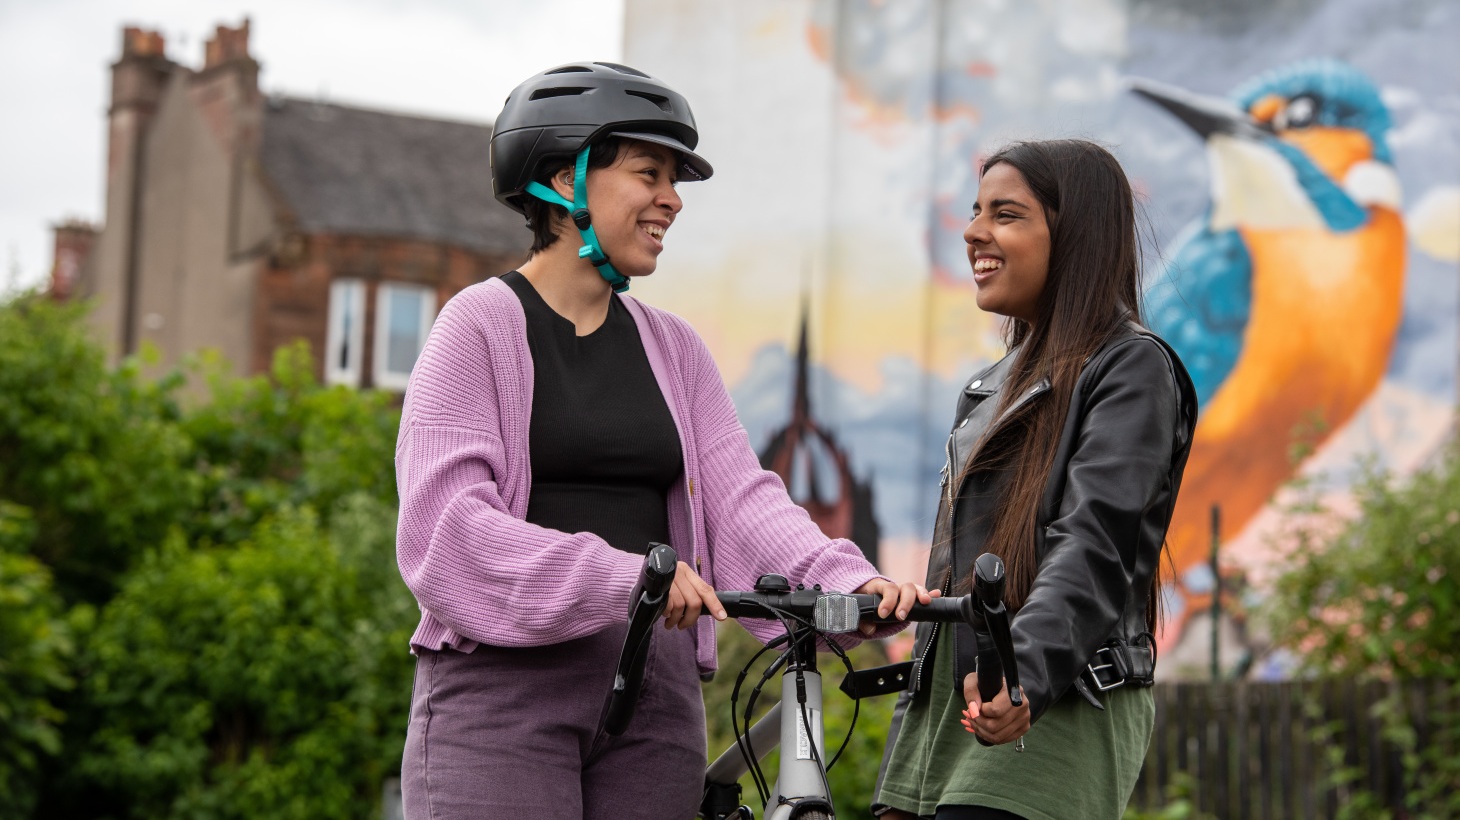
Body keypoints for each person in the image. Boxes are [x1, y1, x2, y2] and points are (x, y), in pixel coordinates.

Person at [393, 61, 931, 820]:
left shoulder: (675, 350)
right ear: (564, 182)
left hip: (656, 695)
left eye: (675, 180)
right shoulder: (474, 329)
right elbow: (447, 534)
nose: (672, 200)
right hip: (503, 695)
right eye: (648, 173)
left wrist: (847, 584)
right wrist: (622, 578)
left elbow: (744, 501)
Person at [872, 140, 1199, 820]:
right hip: (955, 707)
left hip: (1053, 701)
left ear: (1074, 235)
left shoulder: (1131, 369)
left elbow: (1095, 543)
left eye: (1006, 214)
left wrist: (1024, 671)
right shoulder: (988, 390)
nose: (973, 231)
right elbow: (950, 581)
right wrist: (904, 759)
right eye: (975, 211)